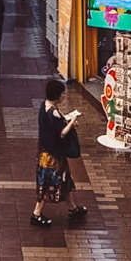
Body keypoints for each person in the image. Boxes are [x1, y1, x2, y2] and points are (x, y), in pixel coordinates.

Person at [31, 78, 87, 226]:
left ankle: (72, 208)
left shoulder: (44, 106)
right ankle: (36, 214)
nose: (63, 96)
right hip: (52, 155)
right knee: (51, 181)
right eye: (62, 94)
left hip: (45, 151)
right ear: (57, 95)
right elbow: (62, 133)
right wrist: (72, 122)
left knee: (64, 180)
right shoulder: (53, 113)